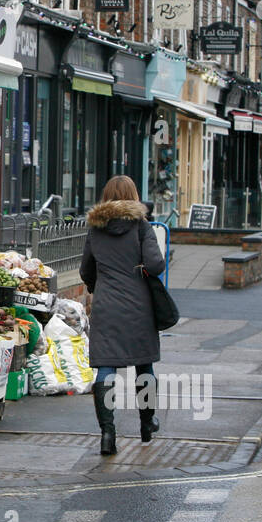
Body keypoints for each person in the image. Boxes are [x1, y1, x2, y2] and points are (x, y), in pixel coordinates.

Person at [80, 175, 166, 457]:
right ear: (133, 196)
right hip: (139, 307)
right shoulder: (141, 227)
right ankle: (146, 423)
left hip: (106, 306)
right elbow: (155, 265)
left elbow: (85, 271)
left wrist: (98, 288)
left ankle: (107, 434)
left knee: (106, 368)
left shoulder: (95, 229)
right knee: (144, 366)